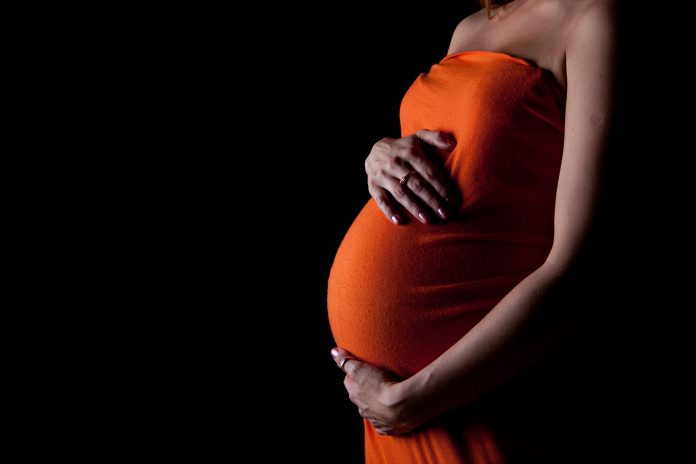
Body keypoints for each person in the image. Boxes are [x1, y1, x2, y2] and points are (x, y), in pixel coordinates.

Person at [327, 0, 617, 462]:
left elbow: (584, 268)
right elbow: (460, 158)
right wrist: (381, 155)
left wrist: (413, 400)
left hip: (470, 397)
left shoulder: (593, 18)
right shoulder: (470, 27)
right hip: (395, 416)